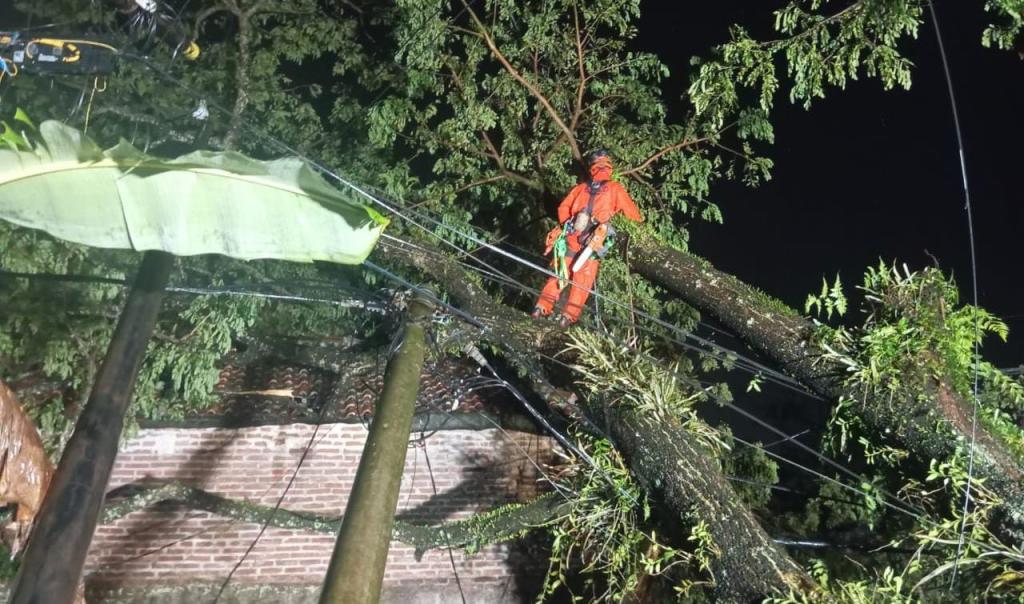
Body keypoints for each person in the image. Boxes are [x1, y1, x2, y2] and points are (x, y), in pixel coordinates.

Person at [532, 150, 643, 326]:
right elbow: (633, 217)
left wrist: (570, 223)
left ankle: (542, 306)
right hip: (591, 242)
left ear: (591, 167)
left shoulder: (581, 188)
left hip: (576, 238)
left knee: (559, 274)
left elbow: (563, 208)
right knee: (581, 280)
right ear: (608, 165)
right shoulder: (614, 189)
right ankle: (567, 316)